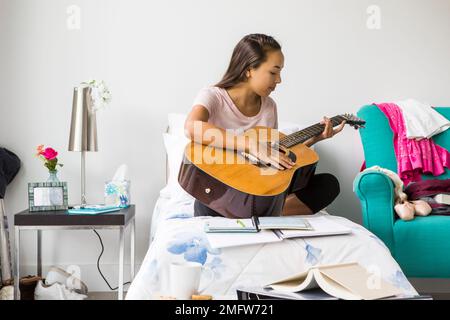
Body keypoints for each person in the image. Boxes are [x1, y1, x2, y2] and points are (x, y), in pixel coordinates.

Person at [184, 34, 345, 217]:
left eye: (280, 72)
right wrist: (252, 145)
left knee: (328, 184)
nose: (279, 80)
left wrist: (316, 138)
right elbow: (192, 127)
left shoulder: (269, 106)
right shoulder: (213, 96)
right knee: (208, 201)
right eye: (273, 72)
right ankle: (262, 212)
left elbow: (273, 155)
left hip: (258, 189)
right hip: (222, 190)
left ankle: (256, 212)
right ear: (249, 69)